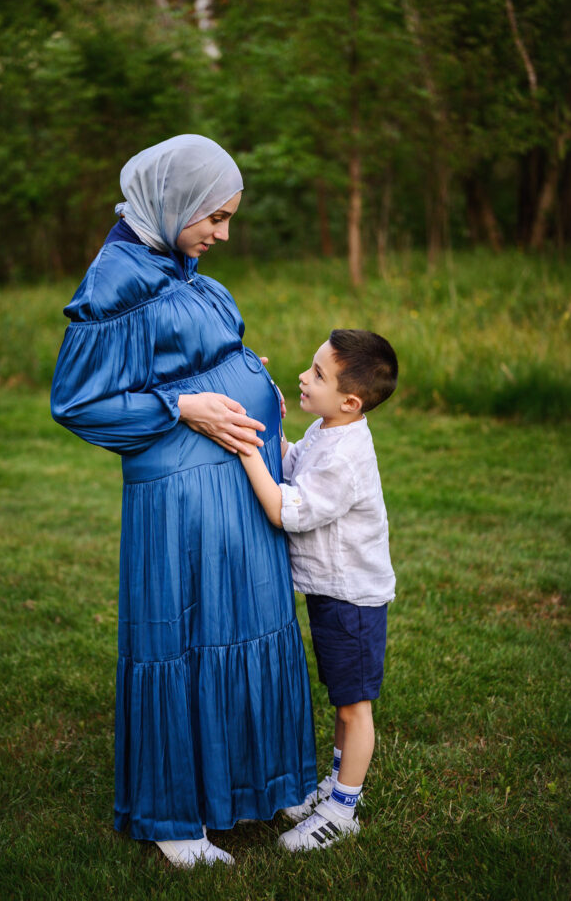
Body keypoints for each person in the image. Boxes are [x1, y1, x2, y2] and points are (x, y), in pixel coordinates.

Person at [50, 134, 317, 868]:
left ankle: (266, 781)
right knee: (187, 641)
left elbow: (193, 349)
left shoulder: (176, 260)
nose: (223, 235)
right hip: (183, 501)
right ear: (173, 203)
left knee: (253, 623)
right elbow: (78, 402)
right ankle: (173, 818)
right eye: (216, 218)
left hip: (238, 485)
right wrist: (183, 405)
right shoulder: (117, 278)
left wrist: (242, 369)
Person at [238, 328, 398, 851]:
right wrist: (274, 432)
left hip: (352, 600)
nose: (304, 377)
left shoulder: (346, 456)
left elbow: (287, 509)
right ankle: (335, 785)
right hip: (332, 594)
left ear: (350, 400)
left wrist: (244, 454)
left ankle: (343, 809)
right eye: (311, 366)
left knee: (355, 707)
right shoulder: (328, 430)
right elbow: (291, 467)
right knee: (342, 700)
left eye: (318, 375)